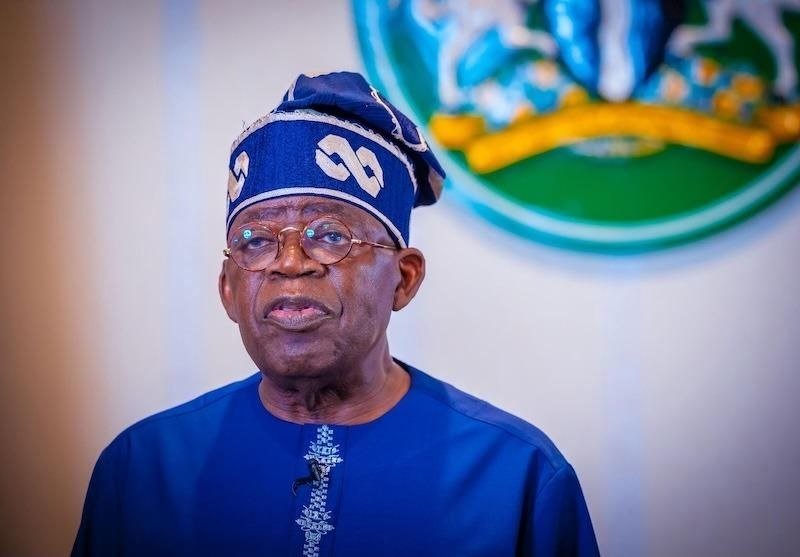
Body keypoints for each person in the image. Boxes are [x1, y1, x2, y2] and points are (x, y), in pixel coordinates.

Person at [72, 71, 600, 556]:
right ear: (228, 290)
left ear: (405, 277)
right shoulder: (142, 470)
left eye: (329, 236)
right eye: (254, 242)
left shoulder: (516, 476)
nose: (290, 265)